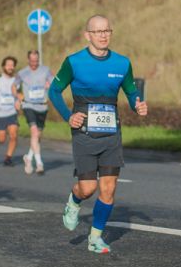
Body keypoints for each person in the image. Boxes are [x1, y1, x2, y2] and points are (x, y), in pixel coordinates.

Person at [49, 15, 147, 254]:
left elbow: (131, 91)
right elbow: (54, 91)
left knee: (109, 188)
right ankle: (74, 199)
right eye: (98, 31)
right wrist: (68, 116)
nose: (103, 35)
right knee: (88, 188)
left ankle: (95, 237)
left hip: (111, 131)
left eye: (107, 31)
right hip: (84, 131)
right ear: (88, 35)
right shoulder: (74, 62)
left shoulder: (122, 63)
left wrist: (137, 104)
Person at [16, 50, 53, 175]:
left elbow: (54, 82)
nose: (34, 63)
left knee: (37, 136)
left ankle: (29, 157)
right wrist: (17, 95)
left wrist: (50, 85)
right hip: (28, 105)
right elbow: (13, 86)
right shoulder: (22, 73)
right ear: (28, 60)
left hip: (42, 106)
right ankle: (39, 163)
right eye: (31, 61)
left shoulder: (45, 70)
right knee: (34, 132)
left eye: (36, 61)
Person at [0, 56, 22, 166]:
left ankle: (8, 158)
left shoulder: (17, 80)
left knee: (13, 135)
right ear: (3, 66)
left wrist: (18, 102)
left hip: (11, 112)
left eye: (12, 65)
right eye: (8, 65)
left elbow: (20, 95)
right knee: (2, 139)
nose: (10, 67)